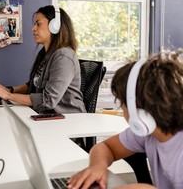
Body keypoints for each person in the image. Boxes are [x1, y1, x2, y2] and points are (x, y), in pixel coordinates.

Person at [67, 49, 183, 189]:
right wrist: (97, 166)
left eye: (121, 102)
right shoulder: (147, 134)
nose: (121, 108)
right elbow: (106, 147)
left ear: (137, 110)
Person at [0, 5, 86, 114]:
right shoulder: (44, 54)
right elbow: (33, 85)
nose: (33, 28)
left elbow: (48, 100)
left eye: (38, 24)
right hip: (48, 116)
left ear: (55, 26)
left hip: (68, 120)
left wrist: (9, 96)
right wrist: (9, 90)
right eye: (34, 24)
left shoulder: (63, 57)